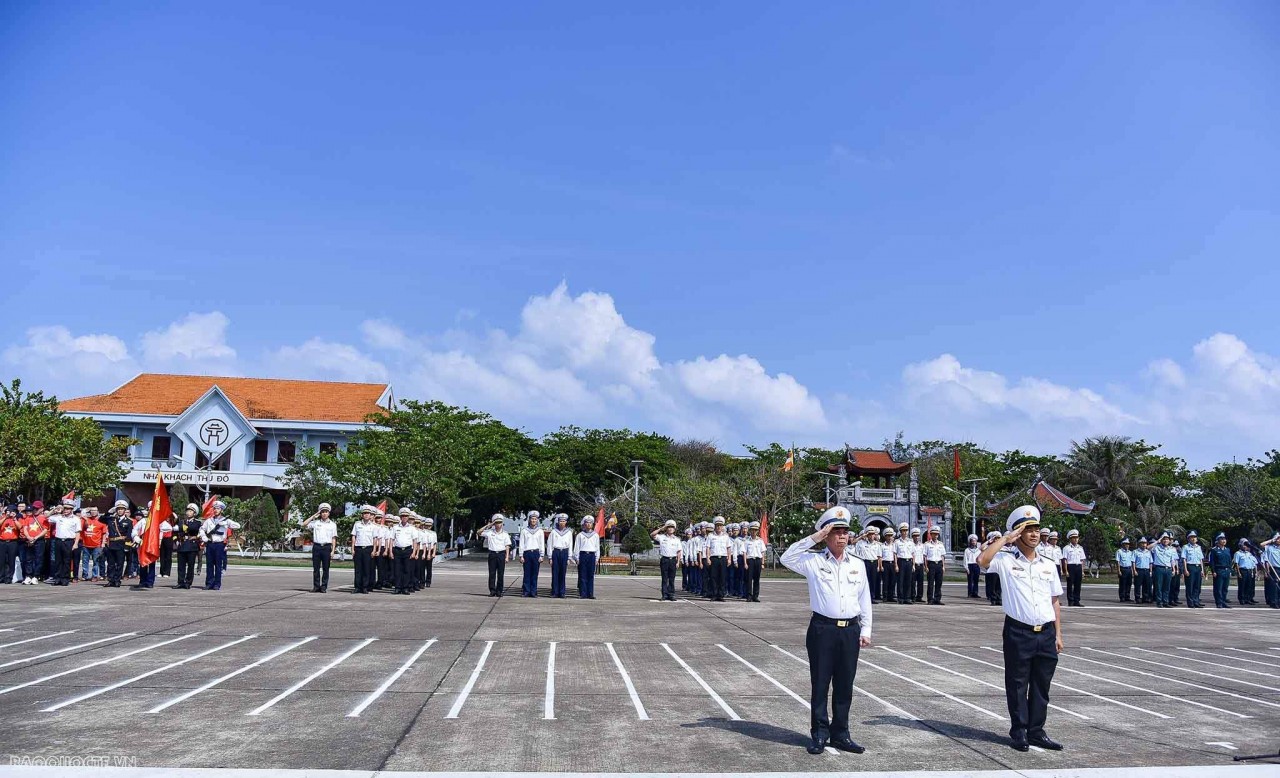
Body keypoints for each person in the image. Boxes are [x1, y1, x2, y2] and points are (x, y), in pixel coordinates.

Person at [780, 506, 872, 756]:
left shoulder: (858, 565)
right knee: (820, 684)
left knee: (845, 685)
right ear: (826, 534)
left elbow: (864, 598)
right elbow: (786, 558)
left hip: (850, 630)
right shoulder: (813, 561)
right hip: (823, 630)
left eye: (845, 531)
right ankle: (820, 733)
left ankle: (841, 734)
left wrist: (867, 629)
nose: (842, 536)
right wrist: (814, 538)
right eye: (836, 531)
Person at [977, 505, 1065, 753]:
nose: (1035, 534)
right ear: (1018, 534)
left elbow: (1054, 601)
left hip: (1046, 632)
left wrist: (1058, 634)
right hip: (1019, 632)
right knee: (1017, 684)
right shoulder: (1004, 560)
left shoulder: (1048, 564)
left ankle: (1037, 731)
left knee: (1041, 686)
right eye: (1028, 530)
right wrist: (1005, 539)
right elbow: (982, 561)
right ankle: (1019, 732)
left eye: (1037, 529)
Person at [199, 501, 240, 590]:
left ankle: (217, 584)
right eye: (214, 508)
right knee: (209, 565)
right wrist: (204, 537)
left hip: (219, 544)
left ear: (221, 510)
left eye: (218, 508)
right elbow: (202, 529)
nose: (216, 510)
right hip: (210, 544)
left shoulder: (226, 520)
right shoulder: (209, 520)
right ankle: (209, 583)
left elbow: (238, 526)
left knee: (218, 565)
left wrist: (226, 524)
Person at [302, 503, 338, 593]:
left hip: (326, 547)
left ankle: (324, 587)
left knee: (326, 568)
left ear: (329, 513)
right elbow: (304, 524)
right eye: (322, 512)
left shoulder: (333, 524)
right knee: (316, 568)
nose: (324, 514)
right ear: (320, 513)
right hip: (317, 547)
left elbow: (334, 538)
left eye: (326, 512)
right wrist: (314, 516)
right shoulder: (316, 523)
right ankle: (316, 586)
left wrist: (333, 551)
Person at [48, 502, 82, 586]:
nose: (66, 510)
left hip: (69, 541)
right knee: (58, 560)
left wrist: (76, 543)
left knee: (66, 560)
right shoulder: (59, 517)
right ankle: (57, 578)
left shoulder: (76, 519)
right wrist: (54, 510)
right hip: (58, 540)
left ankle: (65, 578)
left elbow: (77, 532)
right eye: (65, 508)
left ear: (71, 510)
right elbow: (46, 517)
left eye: (68, 509)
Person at [173, 503, 202, 589]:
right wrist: (176, 540)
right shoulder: (181, 522)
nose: (188, 512)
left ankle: (188, 582)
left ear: (194, 513)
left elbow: (194, 529)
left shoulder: (197, 522)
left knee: (190, 565)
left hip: (191, 546)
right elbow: (175, 531)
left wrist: (184, 527)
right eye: (187, 511)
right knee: (181, 566)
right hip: (182, 545)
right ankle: (180, 582)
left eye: (190, 511)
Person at [651, 519, 682, 601]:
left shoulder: (677, 539)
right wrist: (661, 529)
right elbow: (652, 534)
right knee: (664, 578)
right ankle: (664, 595)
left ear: (674, 529)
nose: (670, 529)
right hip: (664, 559)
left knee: (672, 579)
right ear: (666, 528)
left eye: (672, 527)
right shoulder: (662, 537)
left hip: (673, 560)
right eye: (669, 527)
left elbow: (679, 551)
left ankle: (671, 595)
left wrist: (678, 562)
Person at [482, 515, 513, 597]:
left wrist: (507, 557)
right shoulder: (490, 532)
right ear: (494, 524)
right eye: (496, 523)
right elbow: (479, 532)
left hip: (501, 554)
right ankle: (492, 590)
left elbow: (507, 546)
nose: (498, 524)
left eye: (500, 523)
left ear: (502, 524)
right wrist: (488, 525)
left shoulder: (505, 534)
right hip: (492, 554)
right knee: (492, 573)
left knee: (500, 574)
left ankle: (499, 590)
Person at [391, 508, 419, 595]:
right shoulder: (395, 527)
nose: (404, 517)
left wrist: (414, 552)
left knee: (407, 570)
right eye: (403, 516)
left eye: (406, 516)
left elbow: (415, 541)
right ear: (400, 517)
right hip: (397, 550)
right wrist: (391, 551)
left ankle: (405, 588)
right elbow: (392, 539)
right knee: (397, 570)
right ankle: (397, 587)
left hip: (407, 550)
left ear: (408, 517)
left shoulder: (412, 528)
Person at [102, 501, 130, 588]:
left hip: (121, 544)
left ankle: (117, 580)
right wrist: (109, 512)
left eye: (122, 509)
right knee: (110, 564)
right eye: (118, 509)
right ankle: (111, 580)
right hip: (111, 544)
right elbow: (101, 519)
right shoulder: (111, 519)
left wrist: (127, 546)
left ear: (125, 510)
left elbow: (129, 535)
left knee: (119, 563)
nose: (120, 511)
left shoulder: (128, 521)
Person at [351, 506, 379, 594]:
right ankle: (357, 587)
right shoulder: (357, 524)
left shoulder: (373, 526)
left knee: (367, 569)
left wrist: (374, 550)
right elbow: (353, 537)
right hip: (358, 548)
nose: (366, 515)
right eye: (365, 513)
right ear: (362, 515)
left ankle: (365, 587)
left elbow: (375, 539)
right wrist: (352, 549)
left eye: (368, 514)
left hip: (368, 548)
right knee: (358, 569)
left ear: (370, 515)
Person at [703, 516, 731, 602]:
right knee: (713, 577)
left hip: (723, 558)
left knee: (722, 577)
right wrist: (708, 558)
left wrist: (729, 559)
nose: (719, 527)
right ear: (715, 526)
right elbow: (707, 548)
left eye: (720, 525)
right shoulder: (710, 536)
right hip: (714, 558)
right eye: (717, 525)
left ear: (723, 526)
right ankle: (714, 594)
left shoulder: (726, 536)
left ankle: (721, 595)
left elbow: (728, 548)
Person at [547, 514, 574, 599]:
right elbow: (550, 544)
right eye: (560, 521)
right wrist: (550, 557)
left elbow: (570, 545)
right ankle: (555, 592)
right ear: (558, 522)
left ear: (566, 522)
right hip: (556, 552)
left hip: (564, 552)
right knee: (555, 573)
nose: (562, 523)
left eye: (564, 521)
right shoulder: (554, 532)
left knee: (563, 573)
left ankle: (562, 592)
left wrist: (569, 557)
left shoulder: (569, 532)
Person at [129, 509, 157, 590]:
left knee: (151, 563)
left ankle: (150, 582)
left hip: (152, 544)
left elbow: (167, 527)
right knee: (143, 562)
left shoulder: (157, 520)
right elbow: (134, 530)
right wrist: (136, 537)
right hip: (143, 543)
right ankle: (142, 581)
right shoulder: (143, 521)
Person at [519, 512, 545, 598]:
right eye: (532, 519)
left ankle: (533, 591)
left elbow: (542, 543)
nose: (533, 520)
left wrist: (542, 555)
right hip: (527, 552)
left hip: (536, 553)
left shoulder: (540, 531)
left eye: (535, 519)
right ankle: (526, 591)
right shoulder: (524, 531)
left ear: (537, 520)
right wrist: (521, 555)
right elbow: (521, 543)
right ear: (529, 520)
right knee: (527, 573)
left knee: (535, 573)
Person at [573, 516, 599, 598]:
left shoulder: (595, 535)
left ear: (592, 524)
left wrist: (597, 558)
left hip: (591, 555)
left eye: (590, 523)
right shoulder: (580, 535)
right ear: (584, 524)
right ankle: (583, 593)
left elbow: (597, 547)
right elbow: (576, 547)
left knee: (590, 575)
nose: (588, 524)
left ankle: (590, 593)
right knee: (582, 575)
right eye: (587, 523)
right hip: (583, 555)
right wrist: (576, 558)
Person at [1151, 532, 1177, 608]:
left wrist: (1174, 569)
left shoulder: (1172, 549)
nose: (1165, 540)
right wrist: (1157, 541)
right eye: (1164, 539)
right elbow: (1148, 548)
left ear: (1169, 540)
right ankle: (1159, 602)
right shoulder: (1156, 547)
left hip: (1168, 569)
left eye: (1167, 539)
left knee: (1167, 587)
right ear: (1161, 540)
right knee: (1159, 587)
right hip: (1159, 568)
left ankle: (1165, 602)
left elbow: (1172, 560)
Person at [1060, 529, 1086, 607]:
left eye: (1077, 537)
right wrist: (1066, 571)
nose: (1075, 539)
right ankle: (1070, 601)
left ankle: (1077, 601)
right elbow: (1065, 560)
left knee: (1078, 585)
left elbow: (1082, 560)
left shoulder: (1080, 548)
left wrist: (1082, 571)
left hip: (1078, 567)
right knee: (1070, 584)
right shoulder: (1066, 548)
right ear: (1070, 539)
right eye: (1073, 538)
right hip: (1071, 567)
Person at [1207, 532, 1232, 608]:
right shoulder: (1214, 550)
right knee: (1218, 588)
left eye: (1224, 539)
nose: (1223, 540)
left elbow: (1229, 561)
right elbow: (1212, 562)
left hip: (1226, 570)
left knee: (1225, 588)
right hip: (1219, 570)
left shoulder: (1227, 550)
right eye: (1221, 539)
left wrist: (1230, 570)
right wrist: (1213, 571)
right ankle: (1219, 602)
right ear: (1218, 540)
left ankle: (1224, 601)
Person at [79, 508, 105, 582]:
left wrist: (103, 543)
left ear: (98, 512)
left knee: (95, 561)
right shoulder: (85, 520)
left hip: (96, 545)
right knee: (85, 561)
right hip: (86, 544)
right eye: (92, 511)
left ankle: (94, 575)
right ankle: (84, 575)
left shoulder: (101, 521)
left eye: (95, 511)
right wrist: (86, 518)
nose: (93, 512)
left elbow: (104, 533)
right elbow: (83, 527)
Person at [743, 521, 765, 602]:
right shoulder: (746, 541)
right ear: (750, 530)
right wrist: (745, 563)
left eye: (755, 530)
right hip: (750, 560)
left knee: (756, 579)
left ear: (757, 531)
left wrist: (762, 563)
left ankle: (755, 596)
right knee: (749, 579)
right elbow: (744, 552)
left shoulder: (760, 541)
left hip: (758, 561)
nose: (753, 532)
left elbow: (763, 552)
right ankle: (749, 596)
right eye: (752, 530)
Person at [923, 527, 946, 605]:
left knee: (939, 583)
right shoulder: (927, 544)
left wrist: (943, 566)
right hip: (931, 564)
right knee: (930, 583)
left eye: (937, 534)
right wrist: (926, 566)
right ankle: (930, 599)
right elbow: (925, 556)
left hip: (939, 564)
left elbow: (942, 556)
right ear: (931, 534)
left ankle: (937, 599)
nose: (936, 536)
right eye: (934, 534)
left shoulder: (941, 544)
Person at [1182, 531, 1205, 608]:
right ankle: (1190, 602)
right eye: (1191, 537)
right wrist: (1185, 569)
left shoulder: (1199, 547)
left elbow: (1201, 559)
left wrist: (1202, 570)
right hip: (1190, 566)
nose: (1193, 539)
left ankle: (1196, 601)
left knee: (1197, 586)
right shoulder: (1185, 547)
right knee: (1190, 586)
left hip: (1198, 567)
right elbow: (1184, 559)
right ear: (1188, 539)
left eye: (1194, 537)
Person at [0, 506, 22, 584]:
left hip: (13, 542)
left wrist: (14, 519)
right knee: (1, 560)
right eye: (8, 511)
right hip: (2, 541)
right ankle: (1, 577)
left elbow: (20, 527)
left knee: (11, 560)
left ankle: (9, 577)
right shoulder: (3, 517)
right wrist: (5, 517)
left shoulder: (17, 519)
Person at [1233, 540, 1258, 605]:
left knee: (1249, 585)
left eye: (1246, 545)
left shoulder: (1249, 553)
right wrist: (1238, 573)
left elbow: (1253, 563)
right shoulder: (1238, 553)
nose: (1245, 546)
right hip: (1242, 570)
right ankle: (1241, 599)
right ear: (1240, 545)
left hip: (1249, 570)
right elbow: (1236, 563)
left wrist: (1254, 572)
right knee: (1242, 585)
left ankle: (1248, 599)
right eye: (1244, 545)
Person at [1259, 532, 1280, 609]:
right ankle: (1274, 602)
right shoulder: (1269, 547)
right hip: (1274, 568)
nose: (1279, 540)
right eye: (1277, 538)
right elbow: (1261, 544)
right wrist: (1272, 540)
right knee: (1274, 586)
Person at [982, 530, 1003, 606]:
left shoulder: (1002, 547)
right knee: (992, 586)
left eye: (998, 538)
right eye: (995, 538)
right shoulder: (989, 547)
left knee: (999, 586)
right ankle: (993, 599)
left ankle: (999, 599)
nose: (997, 539)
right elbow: (981, 548)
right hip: (991, 569)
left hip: (1000, 569)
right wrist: (989, 541)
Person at [419, 517, 438, 588]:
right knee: (422, 567)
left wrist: (433, 553)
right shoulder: (422, 532)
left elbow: (435, 544)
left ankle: (428, 581)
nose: (428, 527)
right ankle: (422, 581)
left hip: (430, 550)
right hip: (423, 550)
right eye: (426, 525)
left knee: (429, 567)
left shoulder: (433, 533)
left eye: (429, 525)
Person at [1133, 538, 1153, 604]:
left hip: (1146, 570)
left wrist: (1150, 571)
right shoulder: (1135, 552)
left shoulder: (1148, 552)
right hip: (1139, 570)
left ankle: (1145, 598)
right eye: (1142, 543)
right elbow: (1133, 562)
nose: (1144, 545)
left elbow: (1150, 562)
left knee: (1146, 585)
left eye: (1145, 543)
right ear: (1139, 544)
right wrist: (1134, 570)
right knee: (1138, 585)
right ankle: (1137, 598)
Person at [1115, 538, 1135, 602]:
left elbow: (1132, 562)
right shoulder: (1119, 551)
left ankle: (1127, 596)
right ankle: (1122, 597)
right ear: (1122, 544)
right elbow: (1117, 561)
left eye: (1128, 544)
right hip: (1123, 569)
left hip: (1129, 569)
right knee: (1122, 584)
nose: (1127, 545)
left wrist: (1132, 570)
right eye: (1126, 544)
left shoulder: (1130, 552)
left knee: (1129, 584)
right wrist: (1118, 570)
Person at [963, 534, 981, 599]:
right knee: (970, 580)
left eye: (975, 541)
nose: (973, 542)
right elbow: (965, 559)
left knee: (976, 580)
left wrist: (980, 566)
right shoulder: (967, 550)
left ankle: (975, 593)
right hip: (970, 565)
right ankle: (970, 593)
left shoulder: (978, 550)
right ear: (970, 542)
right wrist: (966, 567)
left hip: (976, 565)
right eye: (972, 541)